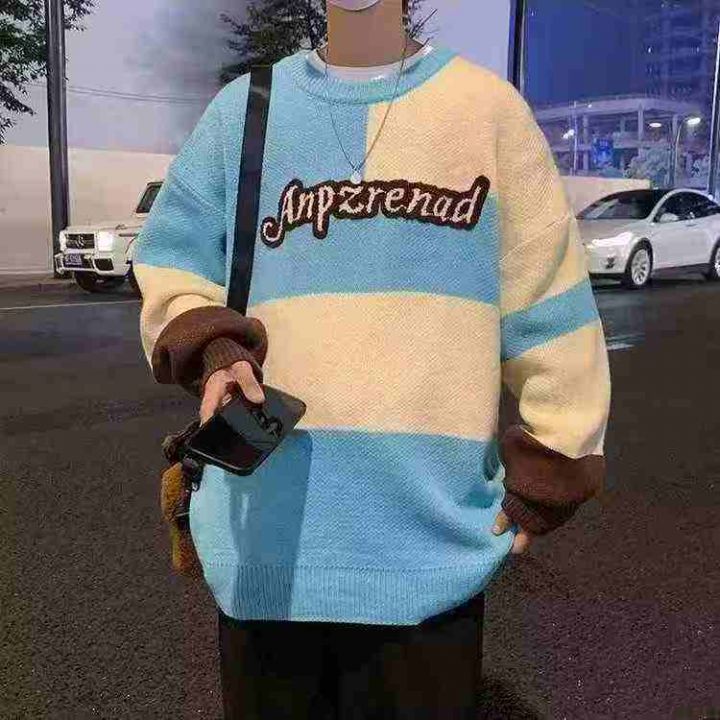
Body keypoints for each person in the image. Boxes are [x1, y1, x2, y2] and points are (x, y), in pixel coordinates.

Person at [132, 0, 612, 716]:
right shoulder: (244, 113)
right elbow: (172, 263)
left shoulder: (487, 113)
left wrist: (553, 469)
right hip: (263, 547)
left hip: (430, 554)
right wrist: (214, 346)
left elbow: (551, 307)